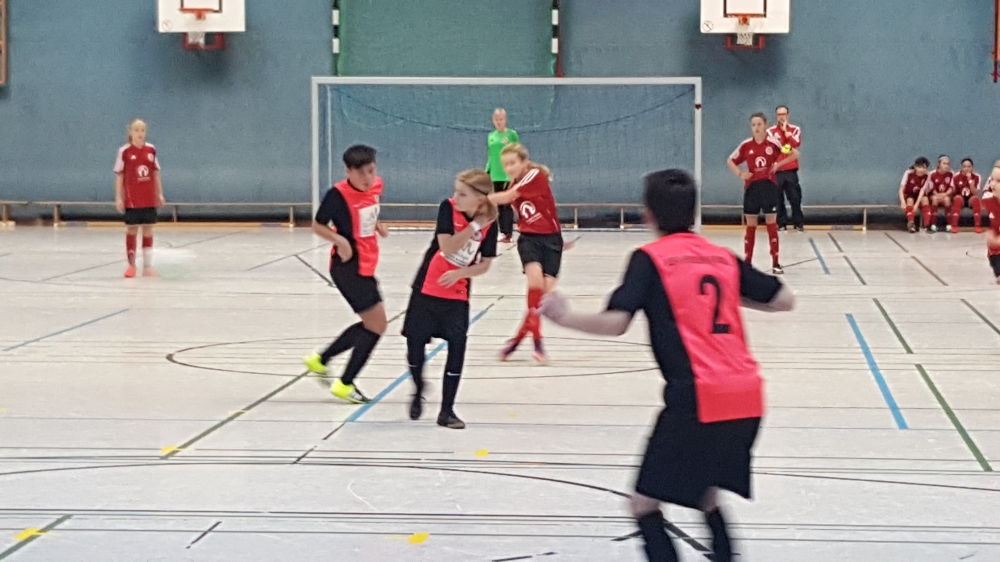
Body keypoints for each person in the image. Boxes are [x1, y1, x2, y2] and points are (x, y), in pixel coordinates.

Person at [539, 169, 795, 562]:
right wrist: (727, 292)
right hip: (746, 396)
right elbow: (783, 300)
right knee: (706, 494)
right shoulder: (721, 256)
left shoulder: (649, 260)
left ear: (647, 214)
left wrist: (565, 317)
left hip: (698, 396)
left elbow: (616, 322)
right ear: (694, 212)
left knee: (644, 503)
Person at [403, 169, 499, 429]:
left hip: (457, 292)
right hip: (427, 286)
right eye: (456, 191)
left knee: (457, 347)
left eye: (463, 194)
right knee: (415, 344)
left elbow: (485, 263)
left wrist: (461, 274)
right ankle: (418, 387)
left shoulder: (492, 222)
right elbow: (447, 247)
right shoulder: (447, 208)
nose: (456, 197)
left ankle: (447, 411)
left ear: (480, 198)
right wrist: (474, 226)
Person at [303, 145, 389, 404]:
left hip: (367, 263)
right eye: (361, 173)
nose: (368, 178)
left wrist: (376, 224)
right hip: (347, 267)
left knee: (372, 324)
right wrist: (339, 240)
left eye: (371, 171)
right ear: (348, 171)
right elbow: (317, 225)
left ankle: (321, 359)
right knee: (377, 325)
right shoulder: (337, 195)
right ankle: (345, 383)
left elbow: (367, 211)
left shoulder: (377, 186)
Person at [489, 142, 566, 364]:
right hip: (529, 239)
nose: (509, 168)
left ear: (524, 162)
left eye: (512, 163)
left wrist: (481, 199)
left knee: (540, 300)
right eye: (505, 165)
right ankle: (538, 343)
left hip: (552, 241)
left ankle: (516, 340)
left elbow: (508, 197)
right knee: (535, 284)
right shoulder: (515, 182)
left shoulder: (534, 175)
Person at [727, 112, 799, 275]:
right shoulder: (746, 145)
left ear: (766, 125)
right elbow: (730, 160)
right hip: (752, 188)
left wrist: (778, 164)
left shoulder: (773, 143)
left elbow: (794, 153)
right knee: (750, 226)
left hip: (769, 187)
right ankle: (747, 264)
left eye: (759, 124)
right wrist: (741, 174)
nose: (756, 128)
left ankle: (775, 262)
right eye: (753, 125)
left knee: (771, 225)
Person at [114, 119, 165, 278]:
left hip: (148, 197)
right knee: (132, 229)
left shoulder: (151, 149)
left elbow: (155, 173)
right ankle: (131, 265)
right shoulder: (124, 151)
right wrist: (118, 197)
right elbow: (120, 175)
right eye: (136, 130)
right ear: (130, 132)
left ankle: (148, 267)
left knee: (148, 229)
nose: (140, 133)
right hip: (132, 199)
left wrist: (159, 194)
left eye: (142, 130)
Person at [767, 105, 804, 231]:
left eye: (783, 114)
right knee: (777, 199)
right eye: (779, 115)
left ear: (787, 115)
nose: (781, 117)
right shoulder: (770, 132)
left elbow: (795, 143)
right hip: (776, 171)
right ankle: (781, 223)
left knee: (795, 197)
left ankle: (798, 223)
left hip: (790, 169)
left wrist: (786, 133)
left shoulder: (795, 130)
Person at [486, 108, 519, 243]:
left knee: (507, 203)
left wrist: (514, 172)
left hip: (507, 174)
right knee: (499, 204)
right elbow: (490, 156)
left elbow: (517, 153)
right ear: (493, 121)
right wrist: (487, 171)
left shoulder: (511, 134)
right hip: (496, 174)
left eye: (501, 119)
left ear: (505, 120)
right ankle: (503, 232)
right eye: (496, 120)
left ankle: (508, 232)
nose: (499, 122)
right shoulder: (491, 136)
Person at [921, 155, 954, 233]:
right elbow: (931, 188)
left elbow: (952, 187)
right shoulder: (932, 174)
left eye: (948, 164)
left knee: (947, 200)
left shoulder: (951, 174)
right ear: (939, 164)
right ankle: (933, 224)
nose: (946, 166)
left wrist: (945, 194)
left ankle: (949, 224)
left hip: (945, 195)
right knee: (935, 199)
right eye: (944, 163)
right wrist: (937, 194)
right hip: (934, 195)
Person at [898, 157, 932, 233]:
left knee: (925, 199)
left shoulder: (927, 175)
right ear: (915, 167)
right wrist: (902, 202)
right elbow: (901, 189)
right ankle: (911, 223)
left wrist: (916, 205)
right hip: (909, 194)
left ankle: (926, 224)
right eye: (919, 167)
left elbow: (922, 190)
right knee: (910, 200)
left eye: (924, 168)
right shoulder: (908, 173)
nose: (921, 170)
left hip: (919, 195)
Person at [950, 158, 984, 233]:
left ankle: (977, 225)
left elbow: (975, 192)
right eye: (964, 167)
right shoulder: (956, 176)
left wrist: (970, 181)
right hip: (960, 197)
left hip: (970, 198)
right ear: (961, 167)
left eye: (969, 166)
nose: (967, 169)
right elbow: (953, 191)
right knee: (958, 199)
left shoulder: (977, 176)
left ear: (972, 167)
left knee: (976, 199)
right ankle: (954, 225)